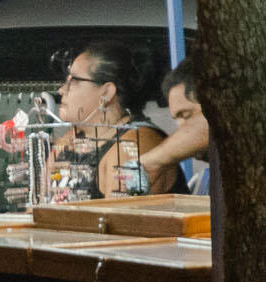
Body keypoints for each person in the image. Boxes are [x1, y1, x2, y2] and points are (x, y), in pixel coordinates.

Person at [50, 41, 176, 200]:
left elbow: (117, 214)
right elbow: (39, 206)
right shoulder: (68, 141)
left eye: (74, 81)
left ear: (107, 92)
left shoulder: (132, 143)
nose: (62, 90)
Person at [140, 59, 210, 194]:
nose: (182, 128)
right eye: (178, 119)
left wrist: (150, 163)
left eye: (186, 115)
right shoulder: (201, 182)